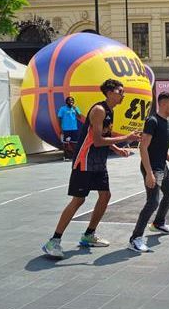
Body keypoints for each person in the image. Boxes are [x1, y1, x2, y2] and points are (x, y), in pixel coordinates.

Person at [42, 79, 140, 259]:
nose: (123, 95)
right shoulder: (99, 110)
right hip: (85, 161)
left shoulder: (110, 111)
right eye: (120, 92)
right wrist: (126, 138)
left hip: (98, 162)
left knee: (105, 195)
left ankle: (88, 235)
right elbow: (97, 141)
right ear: (109, 93)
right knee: (78, 200)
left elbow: (103, 136)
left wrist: (116, 149)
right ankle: (53, 241)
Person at [128, 92, 169, 253]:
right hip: (152, 168)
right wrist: (149, 173)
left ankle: (158, 223)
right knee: (152, 202)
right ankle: (135, 239)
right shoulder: (152, 121)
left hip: (161, 167)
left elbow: (161, 149)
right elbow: (143, 148)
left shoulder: (166, 122)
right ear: (163, 104)